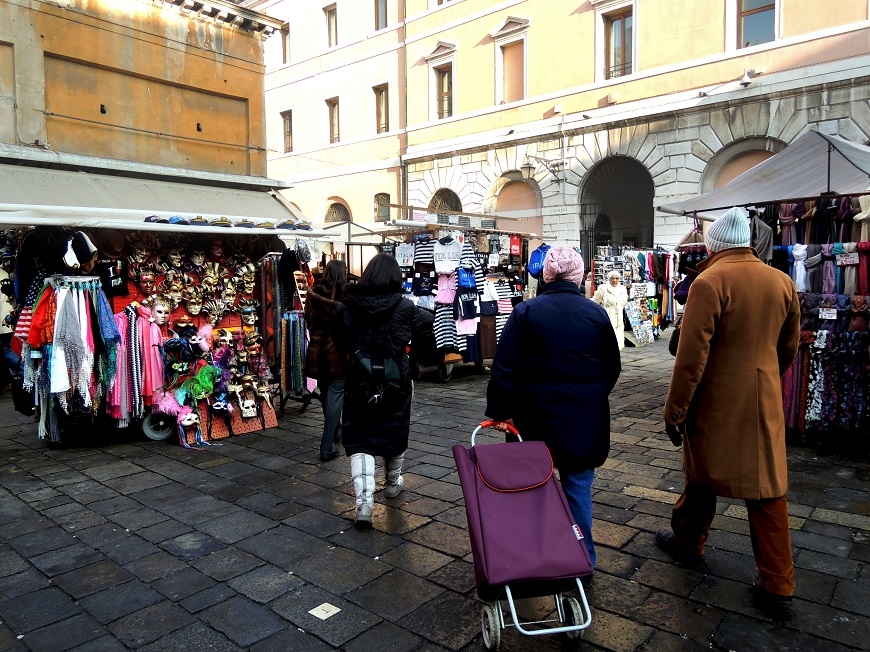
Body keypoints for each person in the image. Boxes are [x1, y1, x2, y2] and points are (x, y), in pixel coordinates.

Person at [657, 207, 801, 620]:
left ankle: (688, 541)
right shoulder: (781, 281)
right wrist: (765, 378)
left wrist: (675, 411)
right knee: (767, 488)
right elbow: (789, 347)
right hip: (763, 398)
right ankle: (777, 582)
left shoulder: (710, 281)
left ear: (714, 244)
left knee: (703, 473)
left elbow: (691, 357)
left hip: (716, 400)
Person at [485, 246, 621, 567]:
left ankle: (535, 556)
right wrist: (592, 396)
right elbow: (611, 367)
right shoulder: (596, 314)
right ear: (578, 276)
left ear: (546, 275)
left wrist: (501, 412)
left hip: (533, 418)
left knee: (533, 487)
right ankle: (582, 558)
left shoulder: (525, 312)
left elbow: (504, 368)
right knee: (578, 487)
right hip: (582, 420)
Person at [334, 253, 434, 528]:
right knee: (395, 427)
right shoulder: (405, 307)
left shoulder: (347, 307)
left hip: (359, 381)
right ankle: (392, 483)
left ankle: (364, 504)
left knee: (359, 437)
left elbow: (339, 339)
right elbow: (427, 323)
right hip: (395, 381)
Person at [304, 260, 348, 462]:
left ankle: (336, 432)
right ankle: (327, 446)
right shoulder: (346, 296)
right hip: (337, 353)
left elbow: (308, 320)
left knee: (326, 393)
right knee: (336, 394)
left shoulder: (314, 294)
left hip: (317, 352)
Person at [592, 269, 628, 350]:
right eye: (612, 278)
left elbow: (624, 302)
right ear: (609, 278)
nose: (615, 280)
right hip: (607, 316)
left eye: (617, 278)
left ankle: (616, 353)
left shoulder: (622, 289)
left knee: (618, 338)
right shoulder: (603, 288)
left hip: (619, 318)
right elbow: (595, 302)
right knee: (608, 337)